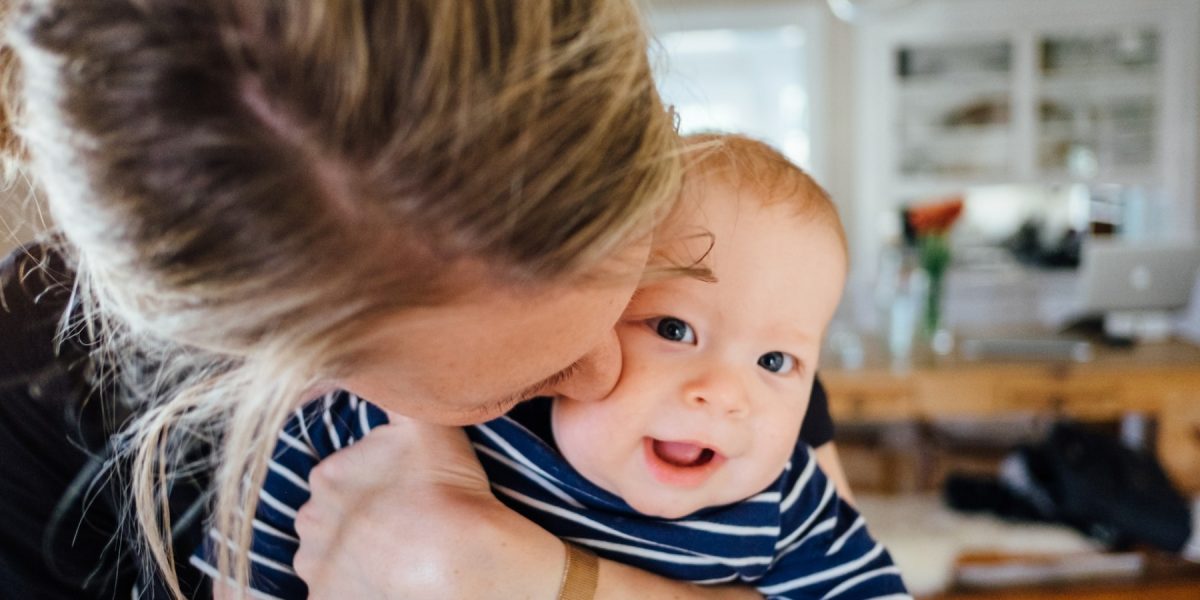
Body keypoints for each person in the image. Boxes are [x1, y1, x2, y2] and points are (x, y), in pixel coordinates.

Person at [0, 2, 853, 599]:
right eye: (522, 380)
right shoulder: (28, 415)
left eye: (638, 300)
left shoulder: (719, 309)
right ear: (285, 364)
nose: (608, 371)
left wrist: (546, 584)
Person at [222, 135, 904, 599]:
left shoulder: (785, 502)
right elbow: (247, 557)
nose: (724, 393)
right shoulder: (444, 412)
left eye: (776, 361)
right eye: (673, 329)